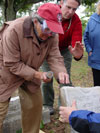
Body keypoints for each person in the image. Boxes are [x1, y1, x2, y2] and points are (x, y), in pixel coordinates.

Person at [0, 3, 70, 133]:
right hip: (5, 72)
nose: (50, 34)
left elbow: (54, 56)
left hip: (30, 72)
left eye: (54, 30)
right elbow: (12, 63)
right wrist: (38, 75)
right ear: (35, 21)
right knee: (1, 109)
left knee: (34, 106)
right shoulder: (14, 30)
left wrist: (61, 71)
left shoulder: (52, 34)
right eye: (48, 29)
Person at [41, 0, 83, 115]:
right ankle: (47, 105)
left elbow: (76, 43)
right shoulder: (50, 12)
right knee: (46, 78)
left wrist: (77, 54)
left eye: (74, 9)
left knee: (64, 78)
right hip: (47, 49)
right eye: (68, 7)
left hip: (65, 50)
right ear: (61, 2)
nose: (70, 12)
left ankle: (63, 106)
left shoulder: (76, 20)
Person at [84, 0, 100, 86]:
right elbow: (86, 37)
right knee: (97, 88)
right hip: (96, 60)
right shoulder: (92, 20)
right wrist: (89, 50)